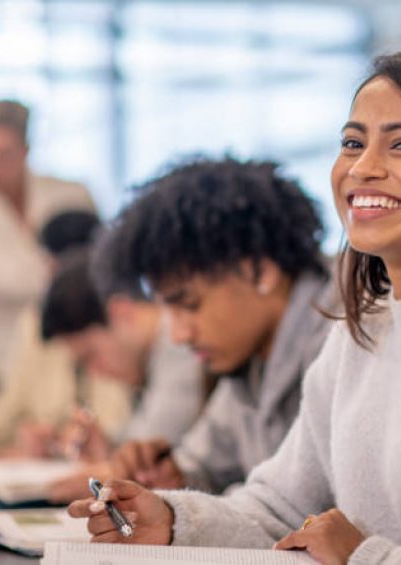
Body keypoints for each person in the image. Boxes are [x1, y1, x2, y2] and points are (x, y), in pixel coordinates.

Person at [69, 51, 401, 564]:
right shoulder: (360, 332)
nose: (364, 167)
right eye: (352, 143)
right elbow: (279, 506)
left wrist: (367, 558)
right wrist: (170, 520)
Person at [66, 157, 338, 497]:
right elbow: (203, 463)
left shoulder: (346, 335)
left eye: (189, 305)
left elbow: (299, 508)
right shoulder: (249, 360)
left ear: (259, 270)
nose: (179, 335)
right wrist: (171, 476)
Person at [39, 246, 205, 463]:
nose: (94, 372)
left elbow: (149, 449)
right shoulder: (152, 356)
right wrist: (104, 444)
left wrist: (107, 454)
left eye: (91, 355)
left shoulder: (180, 345)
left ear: (121, 311)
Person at [0, 210, 132, 453]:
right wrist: (24, 437)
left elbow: (121, 426)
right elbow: (9, 410)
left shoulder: (115, 323)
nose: (47, 275)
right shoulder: (36, 323)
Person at [0, 99, 96, 380]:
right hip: (3, 358)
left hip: (73, 344)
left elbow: (98, 268)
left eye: (5, 154)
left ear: (25, 151)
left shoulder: (70, 195)